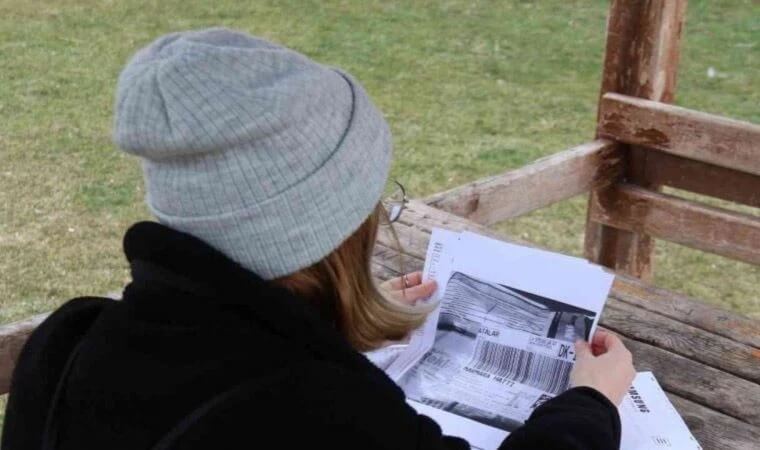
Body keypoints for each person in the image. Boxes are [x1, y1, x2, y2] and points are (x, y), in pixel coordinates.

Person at [2, 28, 635, 450]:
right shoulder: (329, 411)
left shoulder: (66, 345)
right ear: (326, 228)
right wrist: (589, 402)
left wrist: (321, 324)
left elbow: (217, 357)